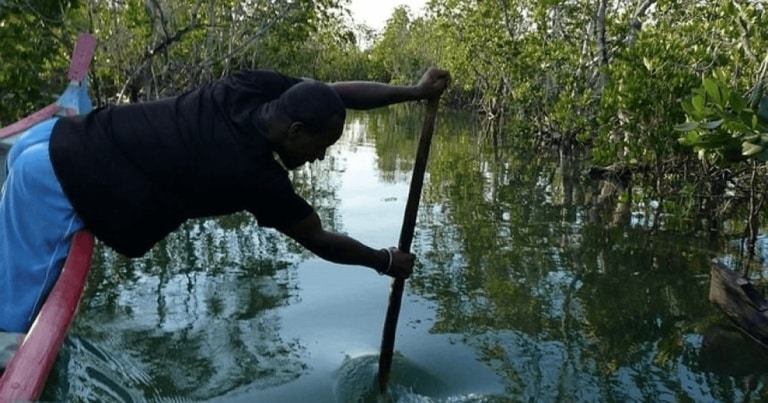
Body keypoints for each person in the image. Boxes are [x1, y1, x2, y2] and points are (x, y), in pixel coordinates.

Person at [0, 67, 451, 333]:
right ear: (295, 132)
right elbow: (318, 239)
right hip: (55, 178)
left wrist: (415, 93)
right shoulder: (254, 176)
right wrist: (384, 261)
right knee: (13, 320)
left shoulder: (250, 89)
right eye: (320, 147)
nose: (319, 157)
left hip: (51, 136)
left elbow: (334, 94)